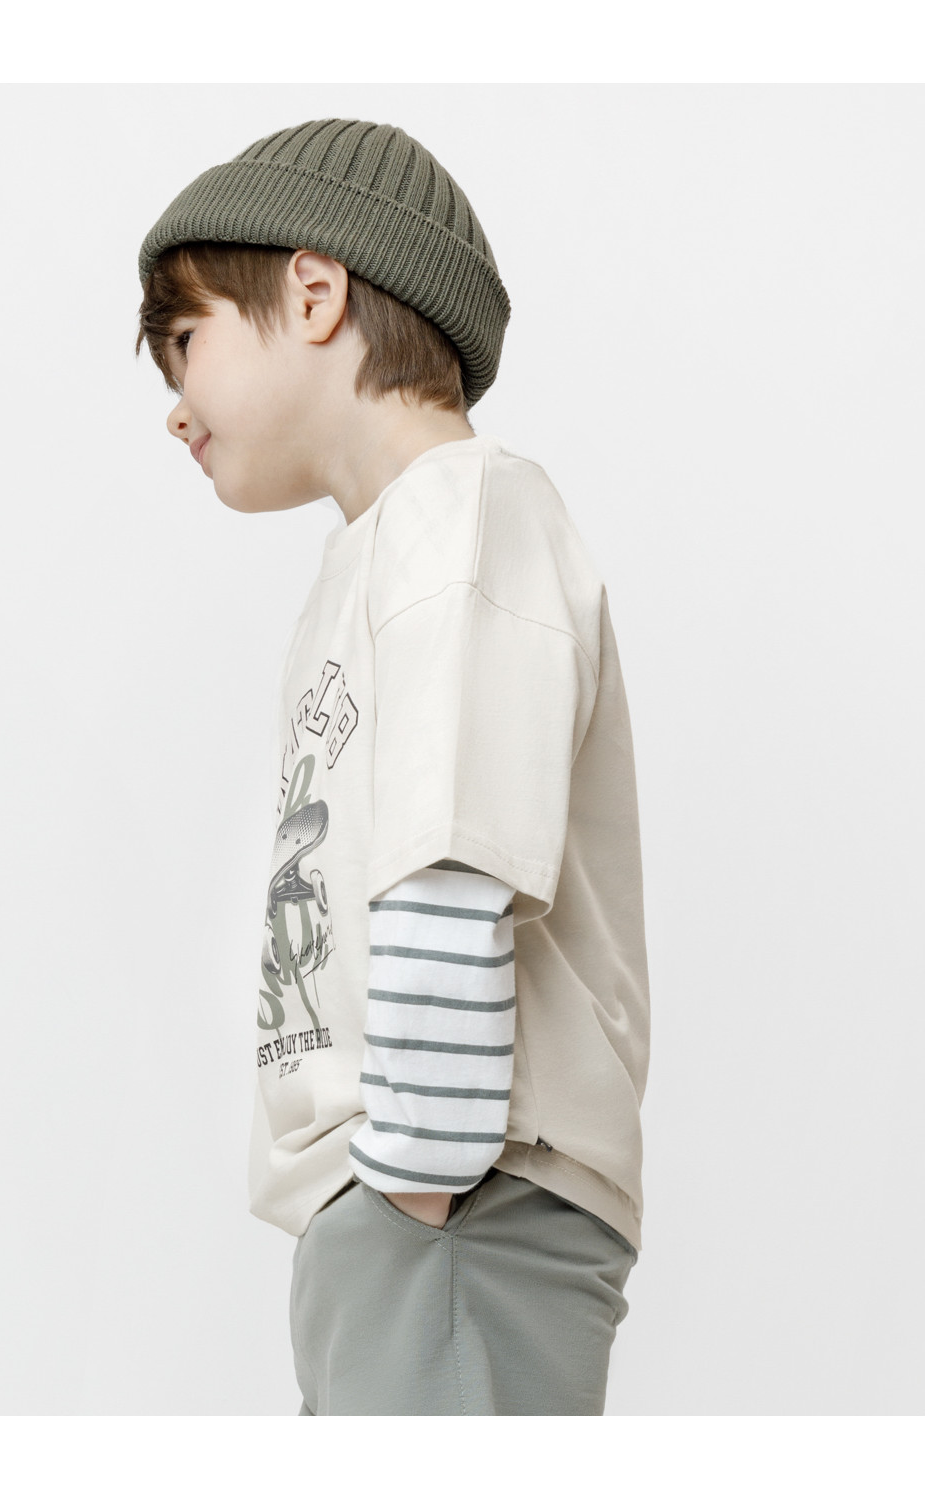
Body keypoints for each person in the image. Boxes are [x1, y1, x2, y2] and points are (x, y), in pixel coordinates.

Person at [134, 117, 651, 1416]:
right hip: (401, 1204)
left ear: (314, 294)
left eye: (184, 341)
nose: (174, 404)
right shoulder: (377, 555)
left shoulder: (460, 517)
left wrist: (419, 1181)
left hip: (457, 1198)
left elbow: (452, 857)